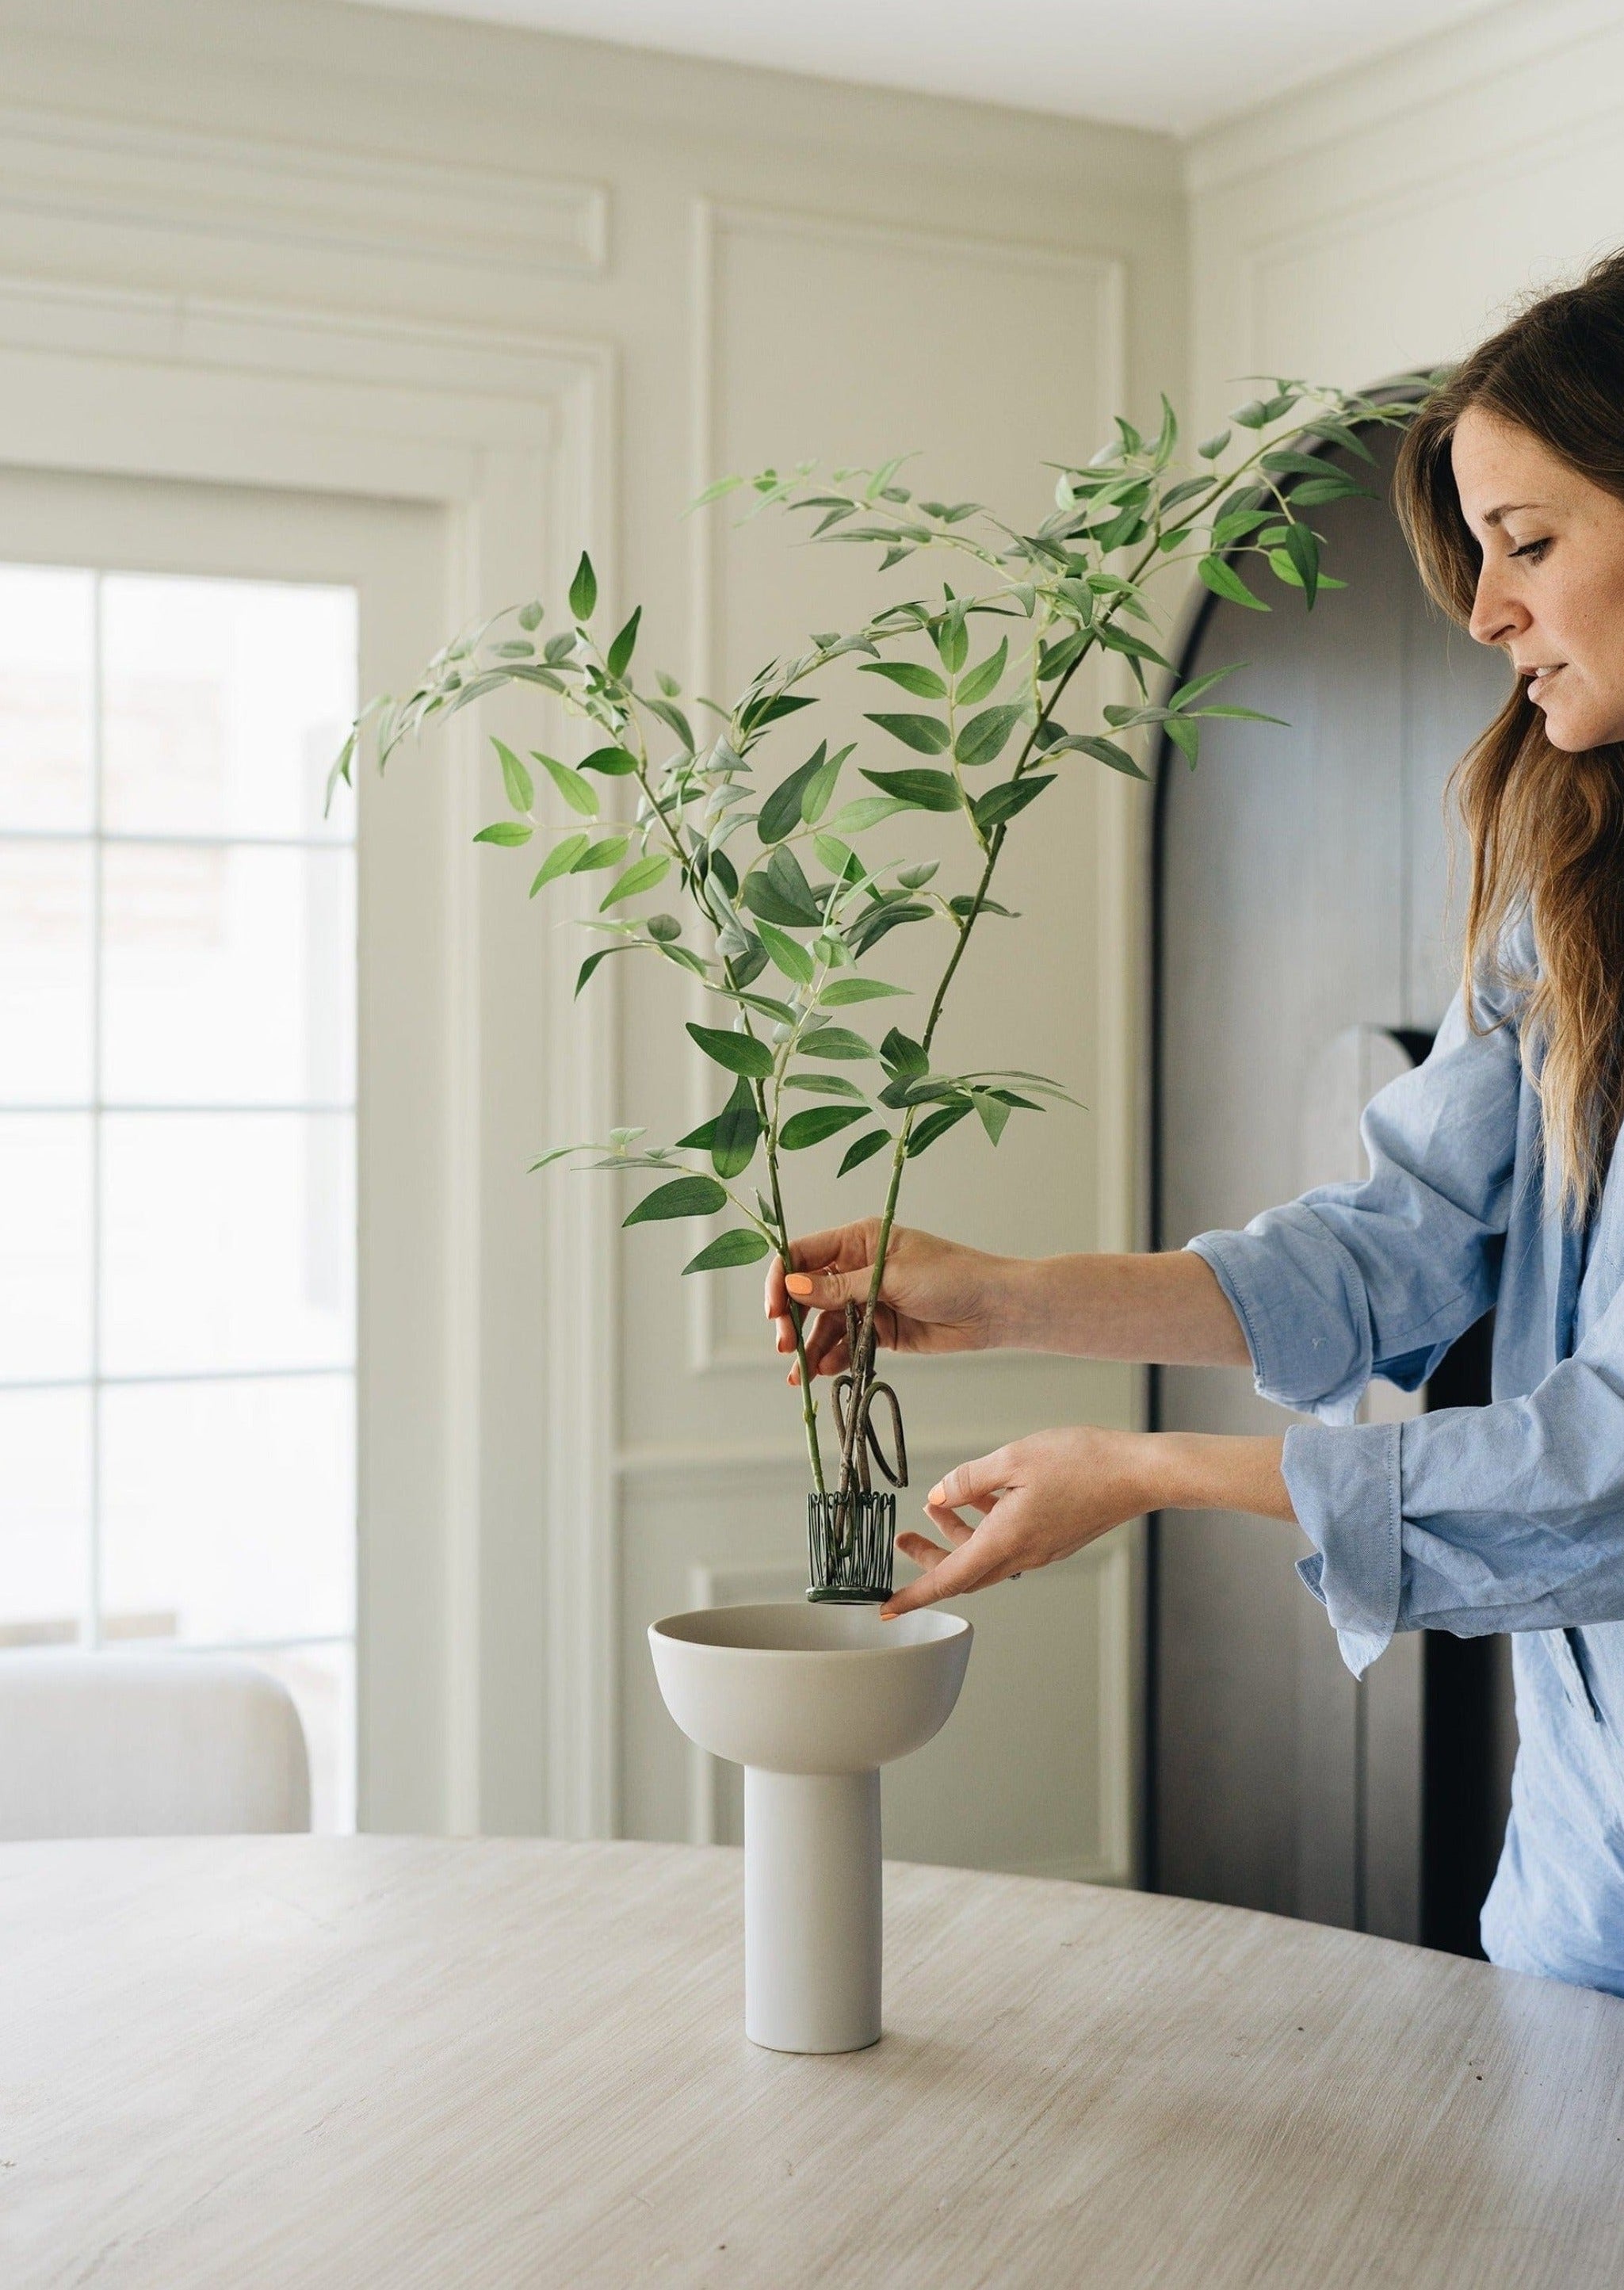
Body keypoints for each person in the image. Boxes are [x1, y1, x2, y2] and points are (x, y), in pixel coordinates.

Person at [766, 248, 1624, 1998]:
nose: (1482, 610)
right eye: (1476, 555)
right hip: (1578, 1887)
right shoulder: (1571, 903)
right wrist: (997, 1293)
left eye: (1527, 543)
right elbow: (1385, 1245)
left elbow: (1608, 1478)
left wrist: (1147, 1469)